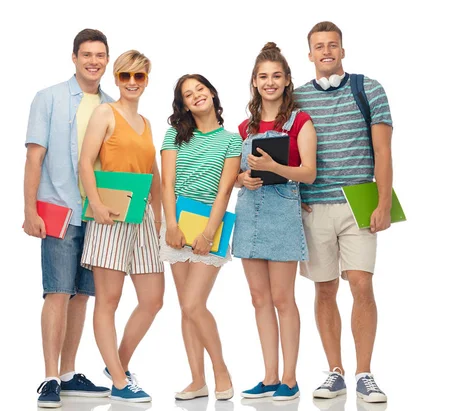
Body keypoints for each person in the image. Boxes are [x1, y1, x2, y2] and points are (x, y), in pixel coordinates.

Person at [294, 21, 393, 404]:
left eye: (332, 45)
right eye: (319, 47)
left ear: (343, 50)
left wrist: (383, 203)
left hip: (359, 201)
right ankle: (334, 371)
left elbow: (383, 152)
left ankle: (364, 373)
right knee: (324, 289)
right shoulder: (298, 98)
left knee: (361, 285)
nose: (326, 52)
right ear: (310, 55)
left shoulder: (369, 88)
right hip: (314, 204)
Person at [23, 29, 113, 408]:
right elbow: (33, 158)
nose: (94, 61)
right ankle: (48, 378)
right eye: (87, 54)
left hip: (97, 215)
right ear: (74, 57)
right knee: (57, 291)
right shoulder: (49, 99)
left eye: (101, 55)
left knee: (82, 296)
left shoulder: (111, 105)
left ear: (107, 60)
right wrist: (29, 210)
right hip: (59, 209)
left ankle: (68, 373)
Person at [232, 42, 317, 402]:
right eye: (263, 76)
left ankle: (290, 378)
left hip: (283, 211)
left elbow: (309, 173)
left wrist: (273, 168)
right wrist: (243, 178)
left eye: (276, 76)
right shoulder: (244, 126)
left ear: (286, 81)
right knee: (259, 298)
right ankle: (268, 377)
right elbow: (234, 173)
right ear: (254, 82)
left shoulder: (300, 121)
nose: (269, 82)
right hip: (250, 211)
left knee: (283, 298)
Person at [79, 50, 164, 403]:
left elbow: (153, 172)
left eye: (139, 77)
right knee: (109, 299)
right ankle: (118, 380)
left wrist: (160, 217)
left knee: (153, 300)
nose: (132, 82)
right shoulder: (105, 112)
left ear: (146, 80)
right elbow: (85, 161)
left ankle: (118, 366)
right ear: (116, 78)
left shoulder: (146, 122)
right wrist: (96, 204)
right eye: (125, 76)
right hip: (110, 213)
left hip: (142, 215)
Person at [160, 74, 241, 401]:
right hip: (177, 224)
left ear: (211, 93)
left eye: (200, 89)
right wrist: (171, 226)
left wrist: (208, 231)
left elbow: (224, 192)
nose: (196, 96)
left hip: (212, 226)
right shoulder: (173, 136)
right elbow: (167, 184)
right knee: (186, 307)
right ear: (184, 104)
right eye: (188, 94)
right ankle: (197, 380)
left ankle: (220, 370)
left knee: (195, 303)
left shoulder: (231, 140)